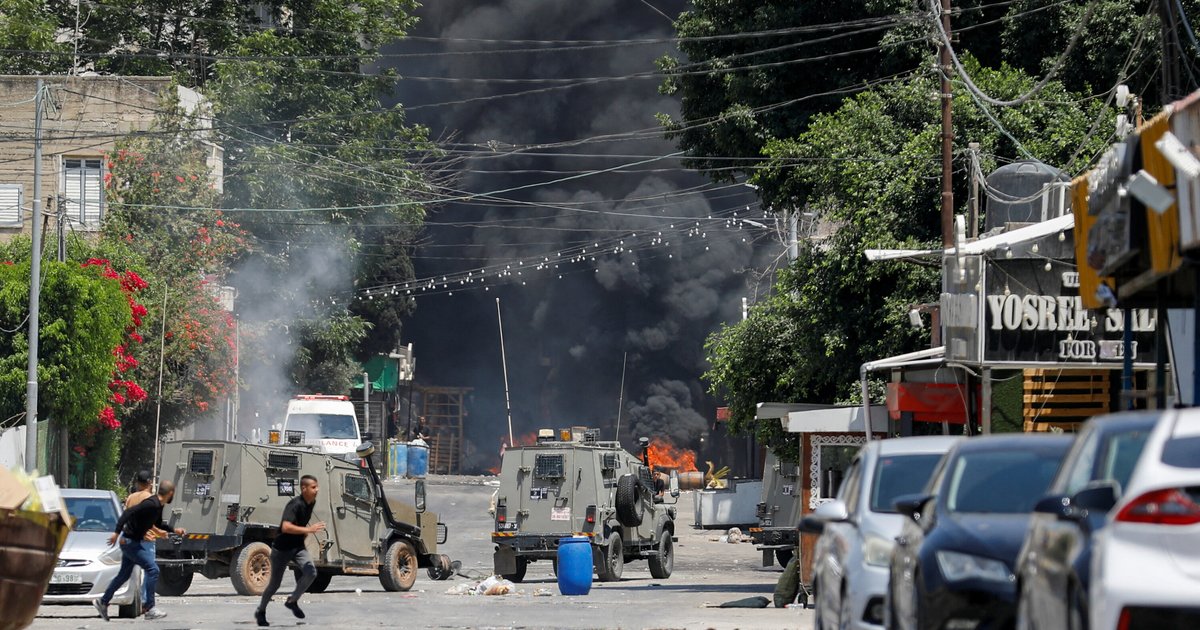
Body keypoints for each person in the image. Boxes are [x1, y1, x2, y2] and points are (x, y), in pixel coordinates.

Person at [95, 480, 185, 621]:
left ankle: (103, 601)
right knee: (153, 569)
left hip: (132, 541)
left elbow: (158, 523)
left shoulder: (158, 506)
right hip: (129, 542)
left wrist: (174, 530)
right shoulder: (151, 504)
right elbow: (128, 513)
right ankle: (150, 608)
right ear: (170, 493)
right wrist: (116, 533)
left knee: (124, 575)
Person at [255, 475, 326, 627]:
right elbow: (286, 527)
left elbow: (298, 523)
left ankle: (292, 601)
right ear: (304, 488)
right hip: (282, 548)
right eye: (313, 487)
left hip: (298, 547)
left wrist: (303, 532)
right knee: (274, 585)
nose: (317, 490)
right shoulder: (294, 505)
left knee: (311, 572)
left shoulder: (311, 502)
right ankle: (261, 611)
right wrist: (309, 529)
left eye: (317, 486)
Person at [124, 471, 165, 612]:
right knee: (150, 571)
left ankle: (134, 599)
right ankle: (145, 602)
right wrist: (160, 532)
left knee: (134, 571)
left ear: (137, 483)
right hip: (147, 540)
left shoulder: (130, 498)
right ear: (150, 483)